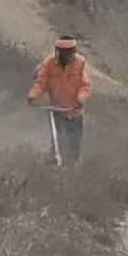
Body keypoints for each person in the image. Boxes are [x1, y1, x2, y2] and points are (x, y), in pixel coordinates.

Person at [27, 36, 93, 167]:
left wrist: (81, 98)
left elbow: (85, 85)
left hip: (74, 110)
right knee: (57, 138)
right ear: (58, 51)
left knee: (74, 140)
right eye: (64, 52)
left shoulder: (81, 63)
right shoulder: (49, 63)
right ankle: (56, 163)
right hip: (57, 109)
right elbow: (41, 83)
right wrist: (33, 96)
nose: (67, 55)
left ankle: (74, 165)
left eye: (70, 52)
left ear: (73, 51)